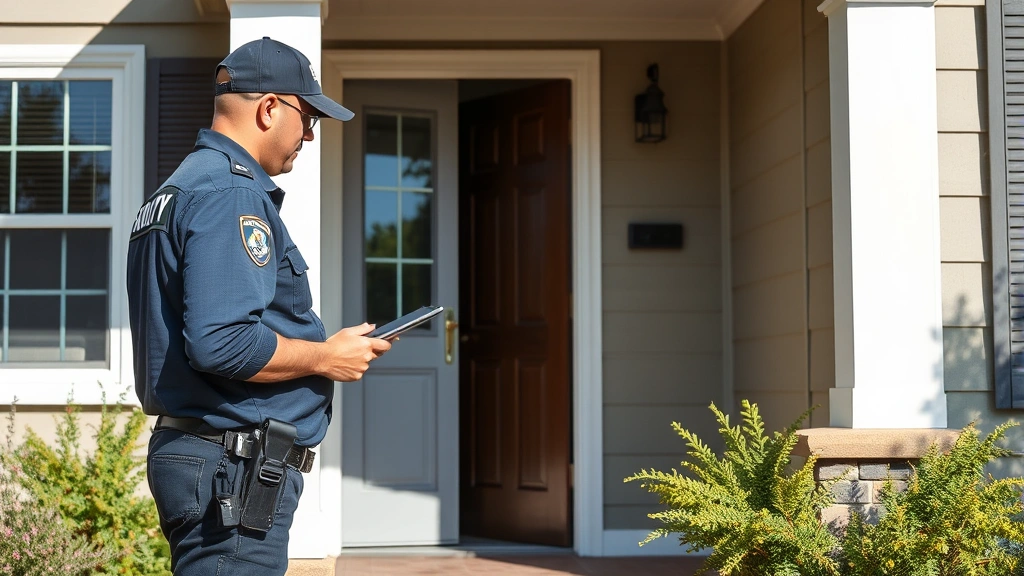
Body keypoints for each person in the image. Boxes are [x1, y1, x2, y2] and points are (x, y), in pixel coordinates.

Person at [126, 37, 391, 575]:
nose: (310, 135)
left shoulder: (179, 189)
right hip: (232, 464)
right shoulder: (229, 192)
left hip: (207, 454)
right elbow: (220, 342)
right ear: (270, 107)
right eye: (307, 115)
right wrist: (325, 357)